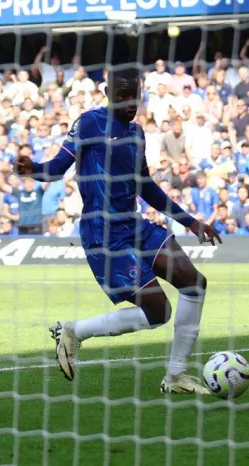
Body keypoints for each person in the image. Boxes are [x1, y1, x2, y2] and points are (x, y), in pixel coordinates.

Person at [13, 66, 222, 394]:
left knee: (194, 282)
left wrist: (191, 222)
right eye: (122, 96)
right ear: (108, 95)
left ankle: (177, 376)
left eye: (134, 95)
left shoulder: (136, 134)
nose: (130, 103)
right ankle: (74, 332)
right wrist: (32, 170)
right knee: (158, 312)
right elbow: (54, 169)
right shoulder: (89, 123)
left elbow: (146, 186)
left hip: (134, 224)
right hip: (103, 234)